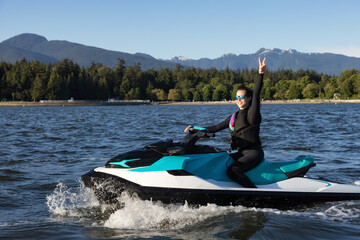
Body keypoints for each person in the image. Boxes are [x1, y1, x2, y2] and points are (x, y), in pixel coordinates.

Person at [184, 57, 267, 188]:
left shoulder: (252, 115)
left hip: (252, 153)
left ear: (248, 98)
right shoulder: (234, 116)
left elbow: (257, 95)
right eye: (236, 97)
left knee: (233, 170)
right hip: (238, 152)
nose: (238, 100)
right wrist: (195, 128)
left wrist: (260, 75)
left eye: (241, 97)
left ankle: (254, 193)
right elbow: (216, 127)